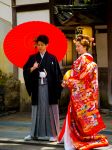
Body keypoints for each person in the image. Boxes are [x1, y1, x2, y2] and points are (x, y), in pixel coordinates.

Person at [58, 34, 109, 149]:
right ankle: (86, 135)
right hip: (88, 95)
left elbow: (77, 77)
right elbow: (92, 81)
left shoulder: (80, 60)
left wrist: (65, 82)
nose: (76, 48)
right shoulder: (91, 61)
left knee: (75, 117)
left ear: (85, 47)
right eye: (76, 46)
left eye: (78, 46)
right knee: (86, 118)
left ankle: (73, 138)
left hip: (79, 94)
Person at [23, 35, 62, 142]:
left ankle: (53, 134)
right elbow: (26, 71)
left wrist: (48, 76)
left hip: (49, 89)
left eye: (42, 45)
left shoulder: (52, 58)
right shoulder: (32, 58)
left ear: (47, 45)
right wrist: (33, 68)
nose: (39, 47)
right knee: (37, 110)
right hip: (37, 88)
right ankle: (33, 134)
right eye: (38, 45)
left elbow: (58, 75)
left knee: (50, 110)